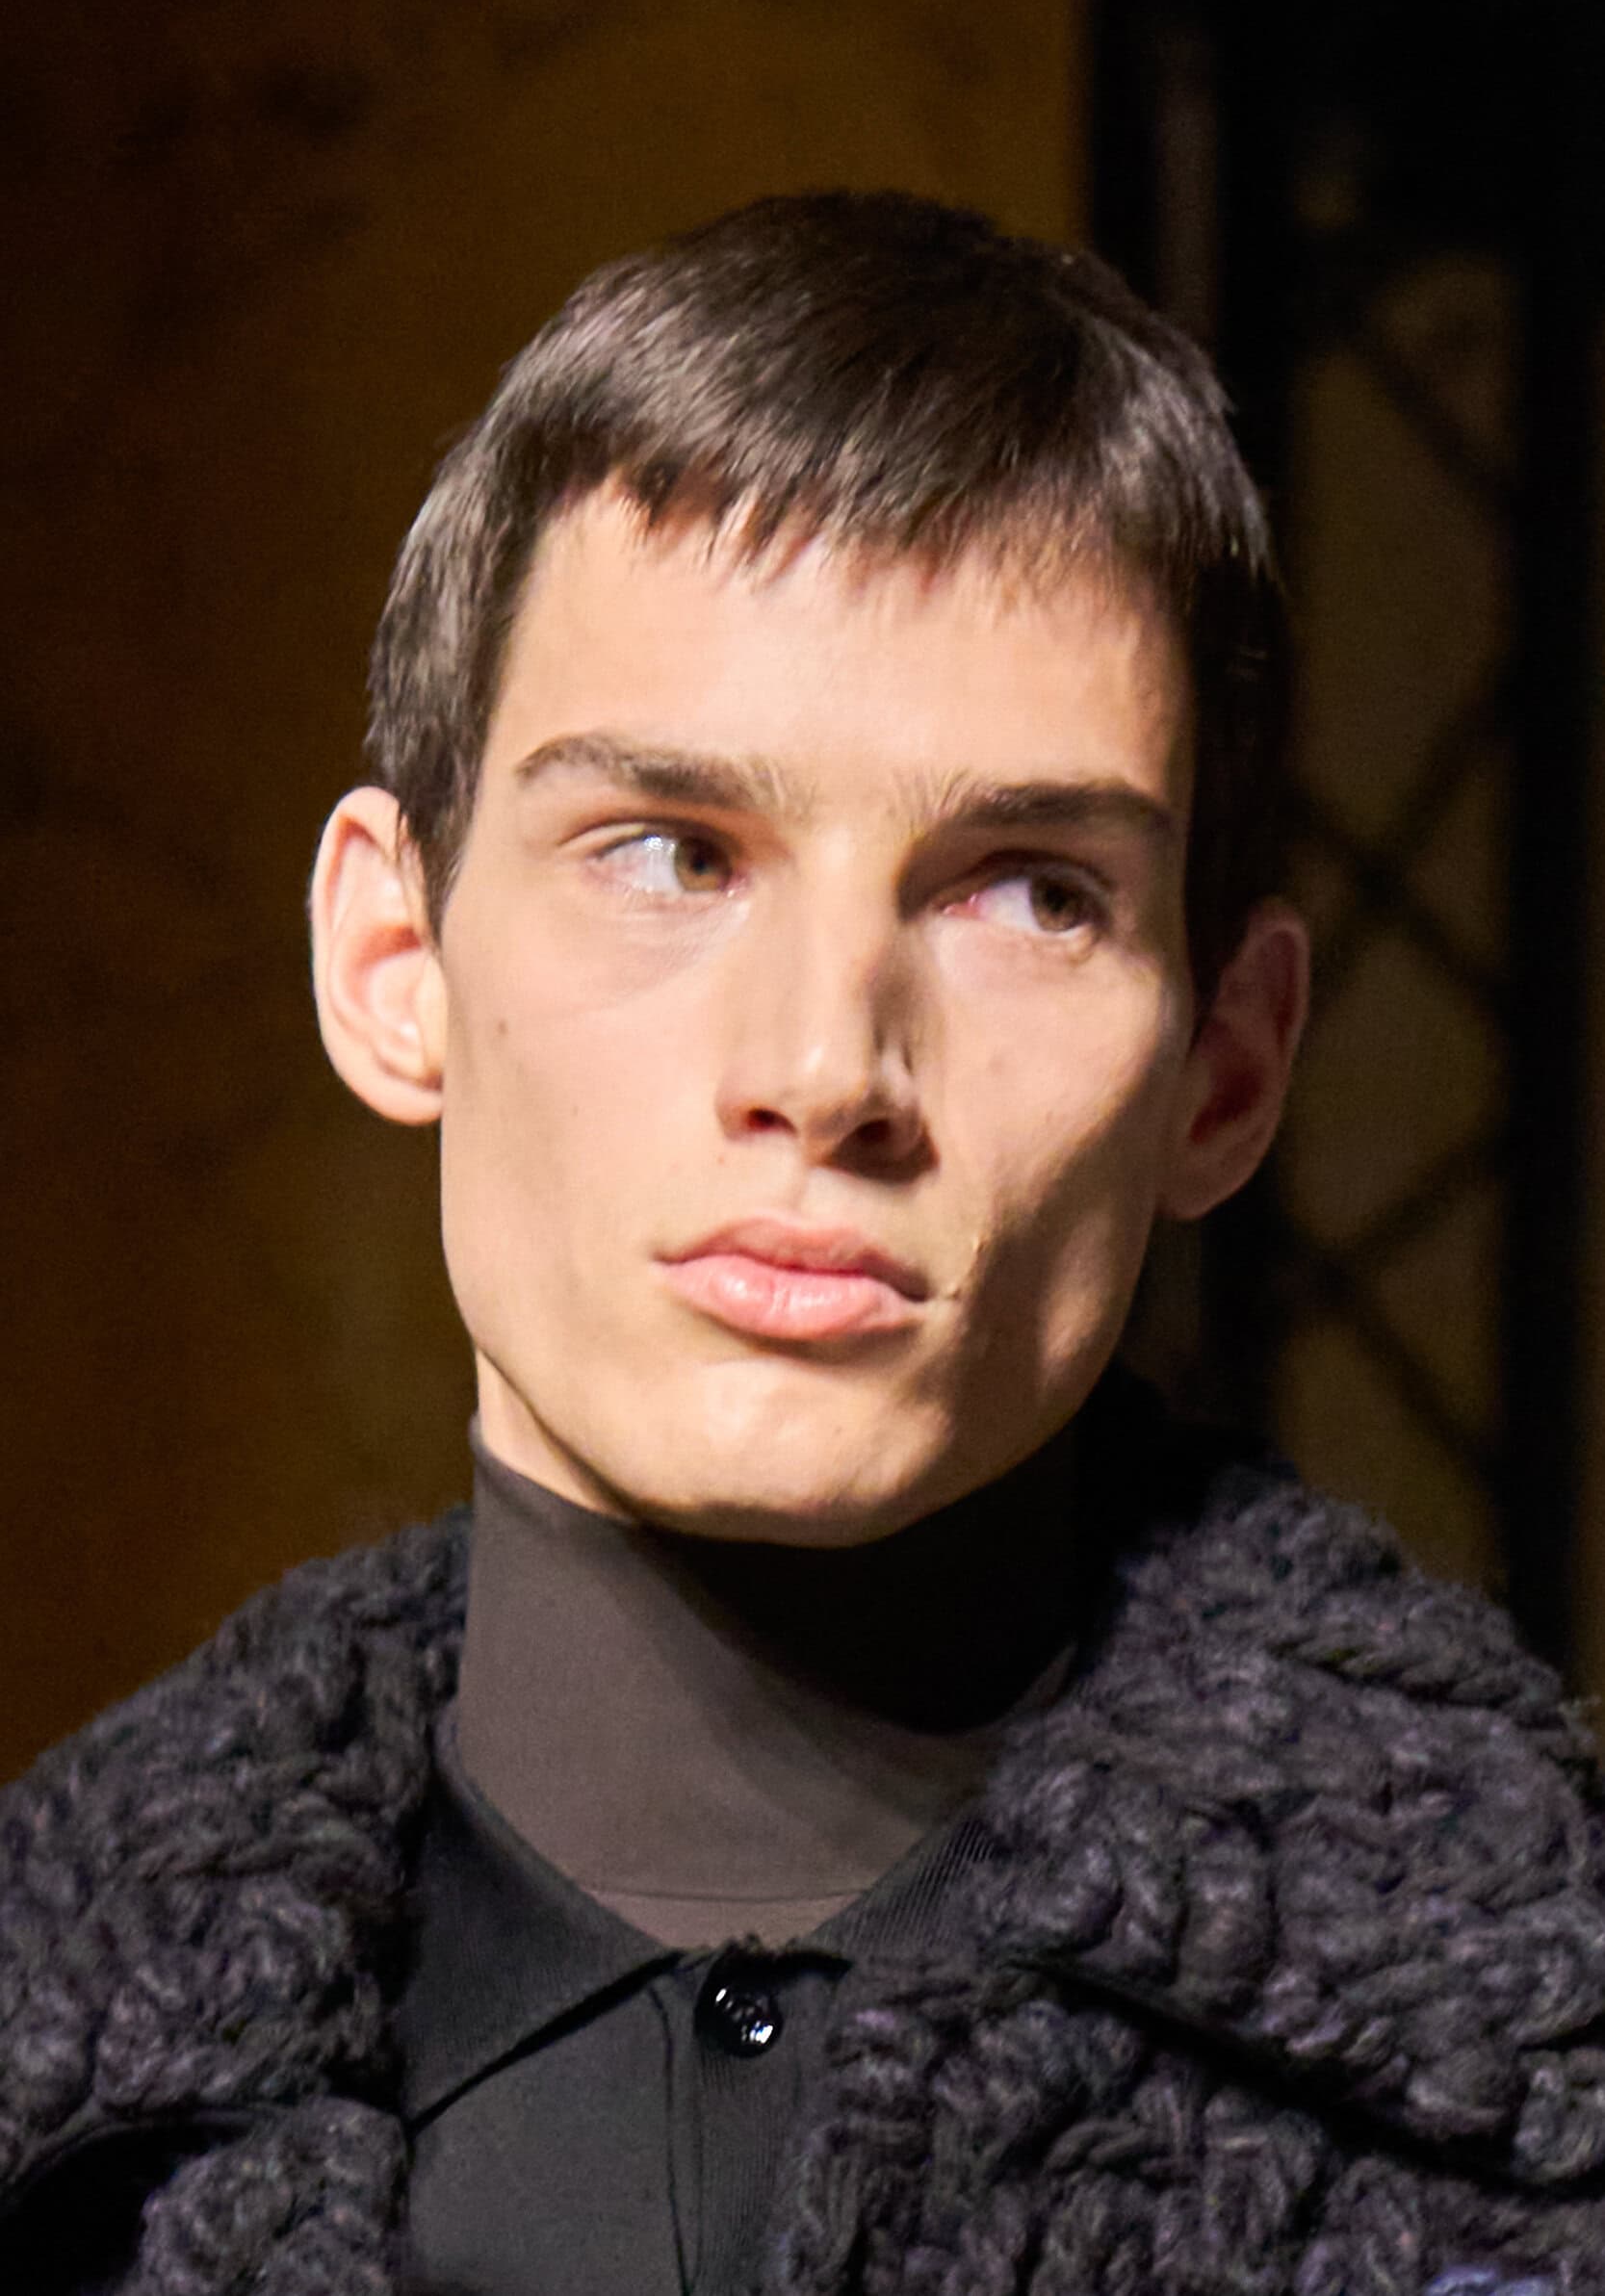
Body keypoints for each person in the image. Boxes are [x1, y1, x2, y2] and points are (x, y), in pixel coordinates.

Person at [1, 192, 1600, 2296]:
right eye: (671, 855)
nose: (829, 1067)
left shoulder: (1543, 2104)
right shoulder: (55, 2103)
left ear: (1226, 1065)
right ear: (396, 960)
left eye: (1030, 891)